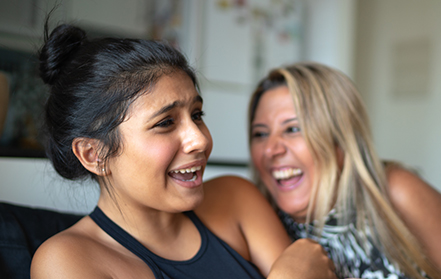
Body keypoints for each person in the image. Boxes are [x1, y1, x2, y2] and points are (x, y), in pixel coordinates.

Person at [31, 24, 336, 279]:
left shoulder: (235, 197)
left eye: (197, 115)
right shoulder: (66, 261)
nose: (200, 140)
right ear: (93, 154)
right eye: (165, 122)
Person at [248, 62, 441, 279]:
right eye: (260, 134)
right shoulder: (257, 219)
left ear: (340, 138)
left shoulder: (395, 192)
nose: (271, 149)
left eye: (292, 129)